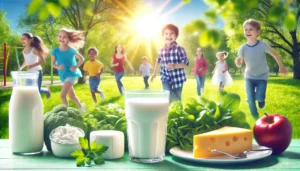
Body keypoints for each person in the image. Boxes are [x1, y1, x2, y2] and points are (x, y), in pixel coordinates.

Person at [235, 19, 288, 118]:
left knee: (258, 97)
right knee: (250, 100)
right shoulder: (242, 47)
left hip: (262, 76)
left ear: (258, 31)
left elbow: (276, 55)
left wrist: (281, 67)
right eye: (246, 29)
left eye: (251, 29)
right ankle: (255, 116)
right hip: (249, 76)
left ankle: (260, 99)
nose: (248, 31)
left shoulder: (263, 45)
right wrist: (238, 62)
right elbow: (239, 64)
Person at [151, 24, 189, 102]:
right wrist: (154, 73)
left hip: (177, 78)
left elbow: (186, 63)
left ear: (176, 36)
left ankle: (176, 112)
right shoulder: (161, 49)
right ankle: (167, 112)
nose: (169, 36)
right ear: (163, 35)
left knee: (176, 100)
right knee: (166, 97)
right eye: (166, 33)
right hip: (165, 77)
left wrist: (175, 66)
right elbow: (158, 61)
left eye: (171, 33)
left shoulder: (179, 49)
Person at [51, 28, 86, 112]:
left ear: (68, 39)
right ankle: (81, 107)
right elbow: (53, 64)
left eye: (64, 37)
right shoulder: (55, 51)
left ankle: (65, 113)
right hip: (63, 75)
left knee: (62, 95)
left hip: (71, 74)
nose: (61, 39)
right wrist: (58, 67)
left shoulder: (71, 50)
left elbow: (81, 59)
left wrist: (75, 67)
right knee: (72, 95)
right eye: (60, 36)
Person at [20, 32, 51, 98]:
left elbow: (42, 60)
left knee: (36, 90)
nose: (22, 41)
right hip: (29, 73)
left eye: (24, 39)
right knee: (28, 89)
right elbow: (26, 61)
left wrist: (31, 66)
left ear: (30, 40)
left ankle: (46, 90)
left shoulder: (34, 49)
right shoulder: (23, 51)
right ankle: (45, 90)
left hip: (37, 72)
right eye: (21, 39)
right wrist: (20, 68)